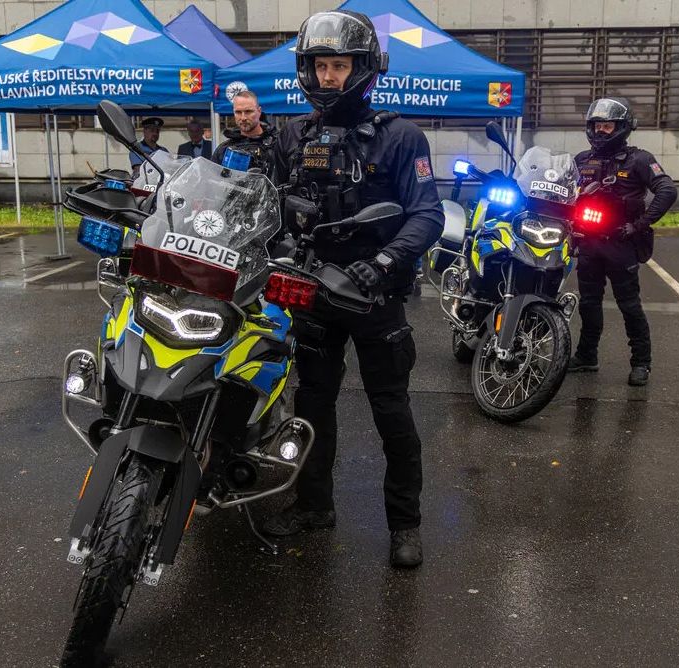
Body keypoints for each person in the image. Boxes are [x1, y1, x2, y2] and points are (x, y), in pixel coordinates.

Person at [262, 10, 443, 569]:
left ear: (363, 69)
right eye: (321, 65)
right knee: (312, 403)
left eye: (339, 65)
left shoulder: (401, 135)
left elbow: (428, 214)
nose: (329, 76)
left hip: (374, 293)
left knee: (391, 410)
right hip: (311, 291)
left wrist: (385, 260)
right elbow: (265, 204)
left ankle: (405, 524)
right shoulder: (292, 134)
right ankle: (314, 504)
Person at [568, 97, 677, 387]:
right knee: (588, 304)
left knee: (629, 305)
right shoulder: (581, 160)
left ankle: (641, 363)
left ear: (622, 127)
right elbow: (564, 193)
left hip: (621, 243)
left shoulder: (639, 159)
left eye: (608, 126)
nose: (601, 131)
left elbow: (667, 190)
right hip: (589, 243)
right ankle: (587, 356)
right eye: (597, 125)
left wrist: (639, 225)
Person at [212, 91, 277, 179]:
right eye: (238, 112)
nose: (243, 118)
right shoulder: (223, 150)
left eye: (248, 111)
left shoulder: (277, 144)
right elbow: (212, 181)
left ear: (259, 111)